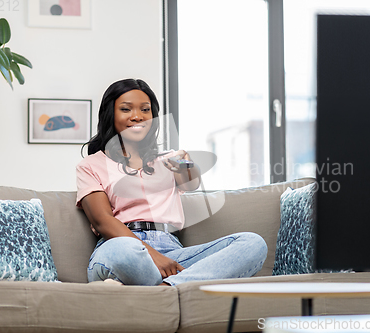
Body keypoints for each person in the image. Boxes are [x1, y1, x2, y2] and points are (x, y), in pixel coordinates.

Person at [76, 78, 267, 286]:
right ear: (110, 114)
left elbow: (191, 184)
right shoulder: (91, 165)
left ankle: (167, 287)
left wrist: (187, 165)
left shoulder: (166, 160)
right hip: (121, 246)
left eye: (145, 110)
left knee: (252, 243)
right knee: (125, 253)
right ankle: (180, 285)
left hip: (173, 252)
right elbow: (102, 221)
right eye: (126, 109)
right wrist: (152, 256)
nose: (137, 116)